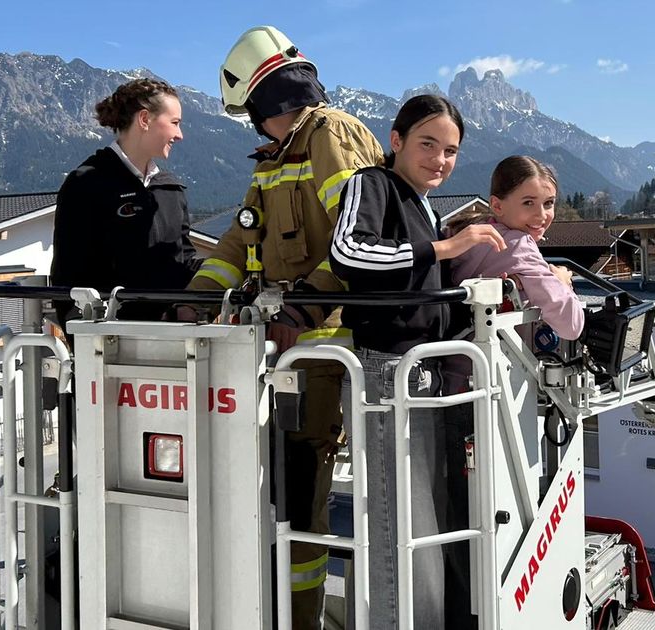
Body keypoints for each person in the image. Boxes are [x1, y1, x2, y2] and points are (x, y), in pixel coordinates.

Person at [187, 26, 385, 629]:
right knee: (265, 493)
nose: (252, 125)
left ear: (265, 102)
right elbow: (236, 243)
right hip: (276, 357)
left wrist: (303, 310)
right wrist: (189, 304)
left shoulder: (330, 135)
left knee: (300, 495)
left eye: (251, 113)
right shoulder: (276, 158)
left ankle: (299, 618)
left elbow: (359, 240)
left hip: (323, 352)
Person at [329, 94, 506, 628]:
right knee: (400, 524)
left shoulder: (422, 204)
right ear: (396, 140)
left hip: (422, 371)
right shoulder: (372, 184)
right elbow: (348, 251)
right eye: (428, 144)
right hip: (388, 371)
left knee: (426, 523)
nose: (440, 159)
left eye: (450, 151)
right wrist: (446, 248)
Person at [50, 78, 200, 325]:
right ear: (145, 119)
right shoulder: (87, 184)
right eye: (175, 123)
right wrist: (84, 341)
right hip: (111, 340)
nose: (179, 135)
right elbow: (68, 277)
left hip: (176, 335)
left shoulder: (170, 189)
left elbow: (184, 263)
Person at [450, 155, 585, 341]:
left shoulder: (465, 232)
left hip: (450, 350)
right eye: (528, 202)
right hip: (491, 357)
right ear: (497, 205)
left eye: (548, 203)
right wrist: (562, 282)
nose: (542, 215)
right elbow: (571, 325)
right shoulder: (519, 246)